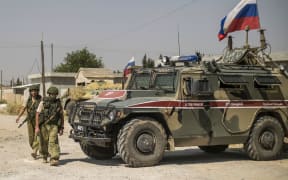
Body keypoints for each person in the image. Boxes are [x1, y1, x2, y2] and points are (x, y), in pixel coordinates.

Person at [35, 86, 64, 166]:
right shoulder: (43, 102)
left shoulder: (58, 103)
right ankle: (44, 155)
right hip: (44, 125)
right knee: (43, 142)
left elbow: (61, 116)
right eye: (51, 94)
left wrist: (61, 127)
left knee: (53, 142)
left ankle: (54, 158)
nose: (53, 96)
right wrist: (37, 127)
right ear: (49, 94)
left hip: (54, 125)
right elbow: (37, 114)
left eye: (55, 94)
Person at [16, 85, 42, 159]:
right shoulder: (28, 100)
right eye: (32, 91)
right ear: (30, 92)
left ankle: (35, 151)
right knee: (31, 138)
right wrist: (18, 117)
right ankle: (35, 148)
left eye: (35, 91)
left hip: (38, 120)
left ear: (37, 91)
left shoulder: (41, 100)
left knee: (37, 136)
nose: (33, 92)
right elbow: (23, 108)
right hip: (30, 120)